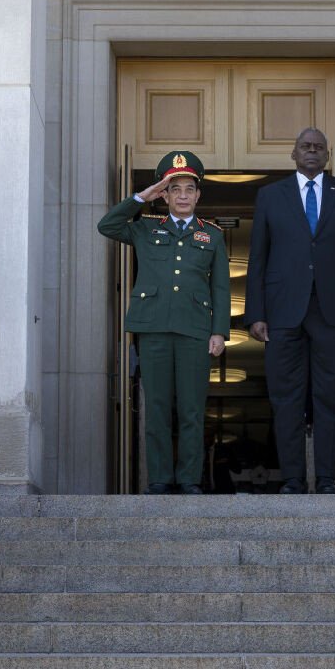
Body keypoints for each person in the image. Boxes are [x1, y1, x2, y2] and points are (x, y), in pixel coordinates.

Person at [245, 128, 335, 494]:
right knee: (286, 400)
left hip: (334, 313)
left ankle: (328, 479)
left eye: (319, 148)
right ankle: (292, 479)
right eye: (306, 147)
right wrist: (256, 313)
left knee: (330, 399)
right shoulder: (270, 196)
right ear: (294, 153)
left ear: (328, 156)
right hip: (283, 314)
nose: (312, 152)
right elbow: (258, 258)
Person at [98, 151, 230, 493]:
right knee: (156, 407)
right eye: (175, 189)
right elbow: (107, 225)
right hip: (153, 329)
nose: (183, 195)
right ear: (165, 195)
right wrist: (143, 196)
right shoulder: (144, 228)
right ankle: (159, 478)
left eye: (189, 188)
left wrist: (219, 332)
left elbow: (220, 287)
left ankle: (188, 479)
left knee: (191, 409)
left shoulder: (212, 236)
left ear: (198, 195)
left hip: (195, 331)